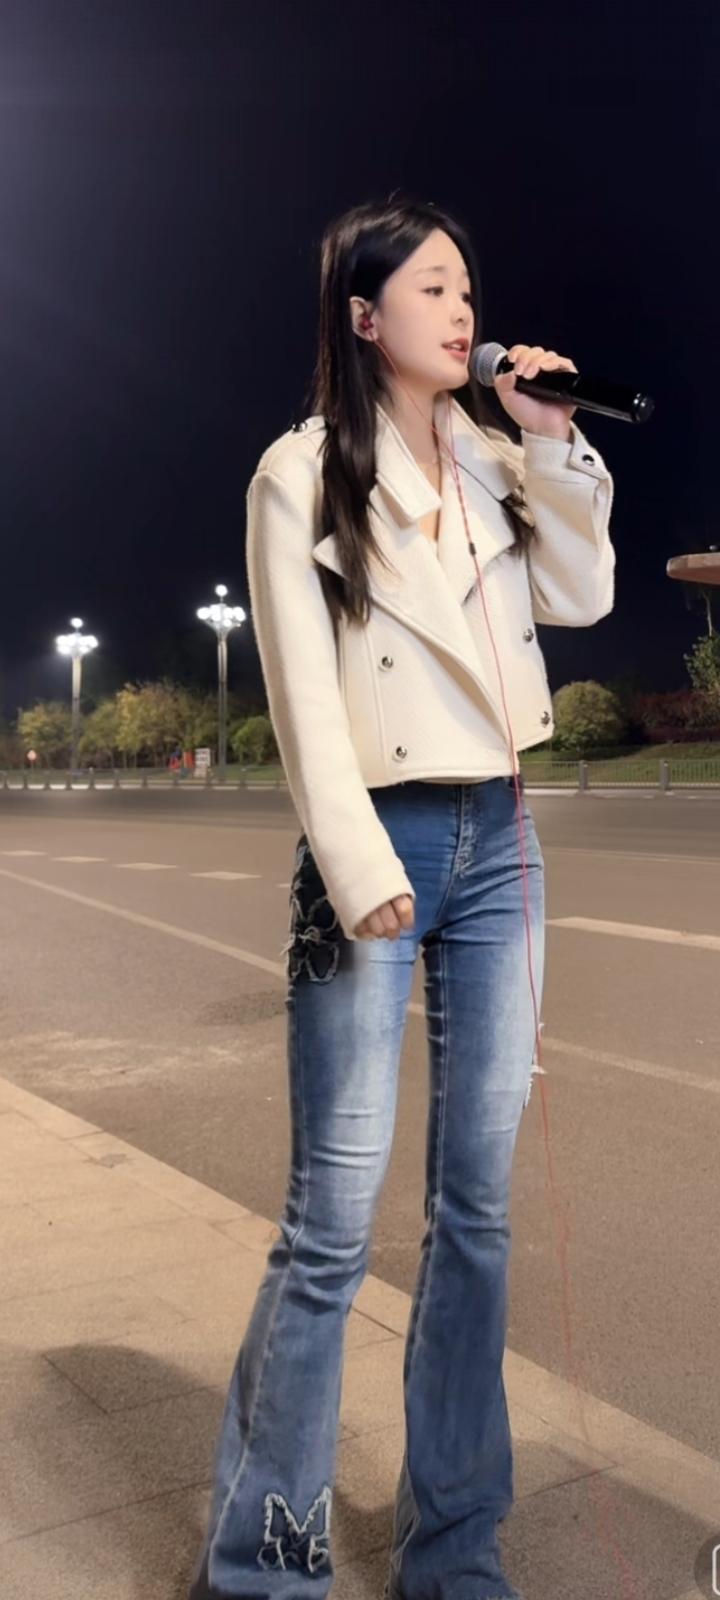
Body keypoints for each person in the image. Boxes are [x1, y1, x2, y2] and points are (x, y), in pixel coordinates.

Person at [189, 196, 616, 1600]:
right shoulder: (301, 471)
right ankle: (264, 1567)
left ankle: (455, 1553)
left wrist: (553, 440)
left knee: (476, 1215)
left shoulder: (498, 457)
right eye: (433, 286)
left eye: (468, 285)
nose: (463, 305)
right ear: (365, 317)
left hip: (501, 842)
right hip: (374, 844)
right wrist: (357, 866)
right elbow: (302, 694)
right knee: (331, 1221)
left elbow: (584, 597)